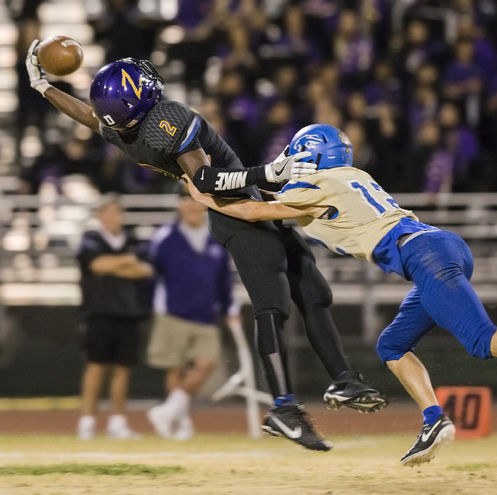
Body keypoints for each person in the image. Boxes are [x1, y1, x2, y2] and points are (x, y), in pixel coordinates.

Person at [184, 123, 497, 467]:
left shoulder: (321, 185)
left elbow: (259, 208)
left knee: (481, 339)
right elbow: (281, 200)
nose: (290, 163)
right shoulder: (345, 178)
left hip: (423, 255)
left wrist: (207, 197)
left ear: (311, 154)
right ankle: (433, 420)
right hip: (437, 248)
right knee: (391, 345)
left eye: (297, 155)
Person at [26, 44, 387, 452]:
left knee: (312, 290)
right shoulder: (165, 119)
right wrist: (269, 172)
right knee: (273, 303)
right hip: (235, 211)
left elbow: (89, 117)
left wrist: (44, 88)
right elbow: (207, 181)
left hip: (252, 199)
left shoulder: (120, 126)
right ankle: (283, 408)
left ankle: (342, 379)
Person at [146, 193, 237, 440]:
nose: (190, 206)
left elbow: (224, 280)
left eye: (194, 200)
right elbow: (151, 274)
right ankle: (180, 421)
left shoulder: (215, 237)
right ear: (179, 205)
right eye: (185, 200)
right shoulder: (165, 237)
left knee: (205, 363)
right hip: (173, 313)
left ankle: (169, 411)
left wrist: (230, 308)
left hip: (206, 314)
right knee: (175, 368)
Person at [76, 194, 154, 440]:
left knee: (123, 369)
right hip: (99, 313)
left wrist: (115, 265)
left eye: (116, 212)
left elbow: (144, 271)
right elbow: (96, 265)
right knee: (96, 367)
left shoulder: (133, 241)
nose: (112, 217)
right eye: (107, 212)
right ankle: (87, 422)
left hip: (129, 313)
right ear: (100, 216)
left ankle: (117, 422)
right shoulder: (90, 239)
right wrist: (126, 263)